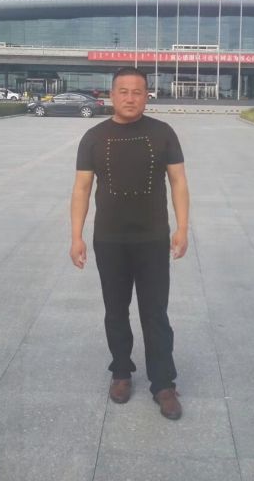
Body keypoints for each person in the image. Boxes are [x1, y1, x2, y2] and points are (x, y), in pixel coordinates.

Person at [70, 66, 190, 420]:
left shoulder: (163, 133)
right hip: (110, 239)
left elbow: (179, 182)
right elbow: (81, 188)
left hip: (152, 238)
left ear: (146, 96)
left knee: (155, 312)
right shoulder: (94, 137)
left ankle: (163, 383)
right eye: (123, 91)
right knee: (115, 310)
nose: (130, 98)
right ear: (111, 95)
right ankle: (121, 371)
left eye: (137, 92)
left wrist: (182, 227)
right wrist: (76, 236)